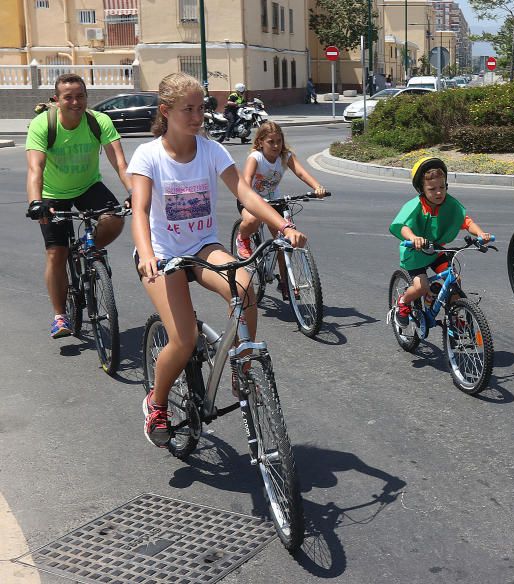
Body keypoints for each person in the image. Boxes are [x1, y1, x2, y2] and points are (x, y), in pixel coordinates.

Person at [129, 73, 307, 448]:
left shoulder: (210, 150)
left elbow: (244, 191)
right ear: (166, 111)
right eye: (188, 110)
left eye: (202, 108)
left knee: (244, 286)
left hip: (203, 247)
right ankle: (157, 403)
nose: (198, 117)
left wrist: (282, 224)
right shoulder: (148, 155)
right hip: (162, 254)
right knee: (183, 338)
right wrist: (146, 254)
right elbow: (140, 210)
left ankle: (242, 364)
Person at [25, 73, 133, 339]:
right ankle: (60, 316)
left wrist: (134, 191)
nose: (75, 102)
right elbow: (34, 169)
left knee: (115, 218)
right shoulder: (42, 125)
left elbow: (120, 163)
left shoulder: (99, 122)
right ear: (56, 100)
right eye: (68, 97)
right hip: (53, 193)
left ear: (87, 97)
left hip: (88, 187)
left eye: (81, 96)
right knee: (56, 253)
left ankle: (89, 249)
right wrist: (36, 202)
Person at [389, 157, 490, 327]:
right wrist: (414, 238)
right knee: (421, 286)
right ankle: (403, 302)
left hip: (435, 250)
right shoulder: (415, 205)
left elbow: (466, 221)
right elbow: (403, 226)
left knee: (454, 280)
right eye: (432, 189)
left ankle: (454, 314)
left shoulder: (449, 203)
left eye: (442, 187)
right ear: (421, 189)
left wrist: (481, 234)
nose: (438, 192)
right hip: (414, 253)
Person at [233, 121, 328, 297]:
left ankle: (285, 282)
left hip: (274, 200)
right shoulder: (256, 157)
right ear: (261, 142)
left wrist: (317, 187)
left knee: (285, 239)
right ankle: (242, 238)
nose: (276, 145)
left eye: (279, 141)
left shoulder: (285, 156)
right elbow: (246, 180)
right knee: (252, 220)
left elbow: (301, 172)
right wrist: (249, 200)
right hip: (251, 199)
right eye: (271, 141)